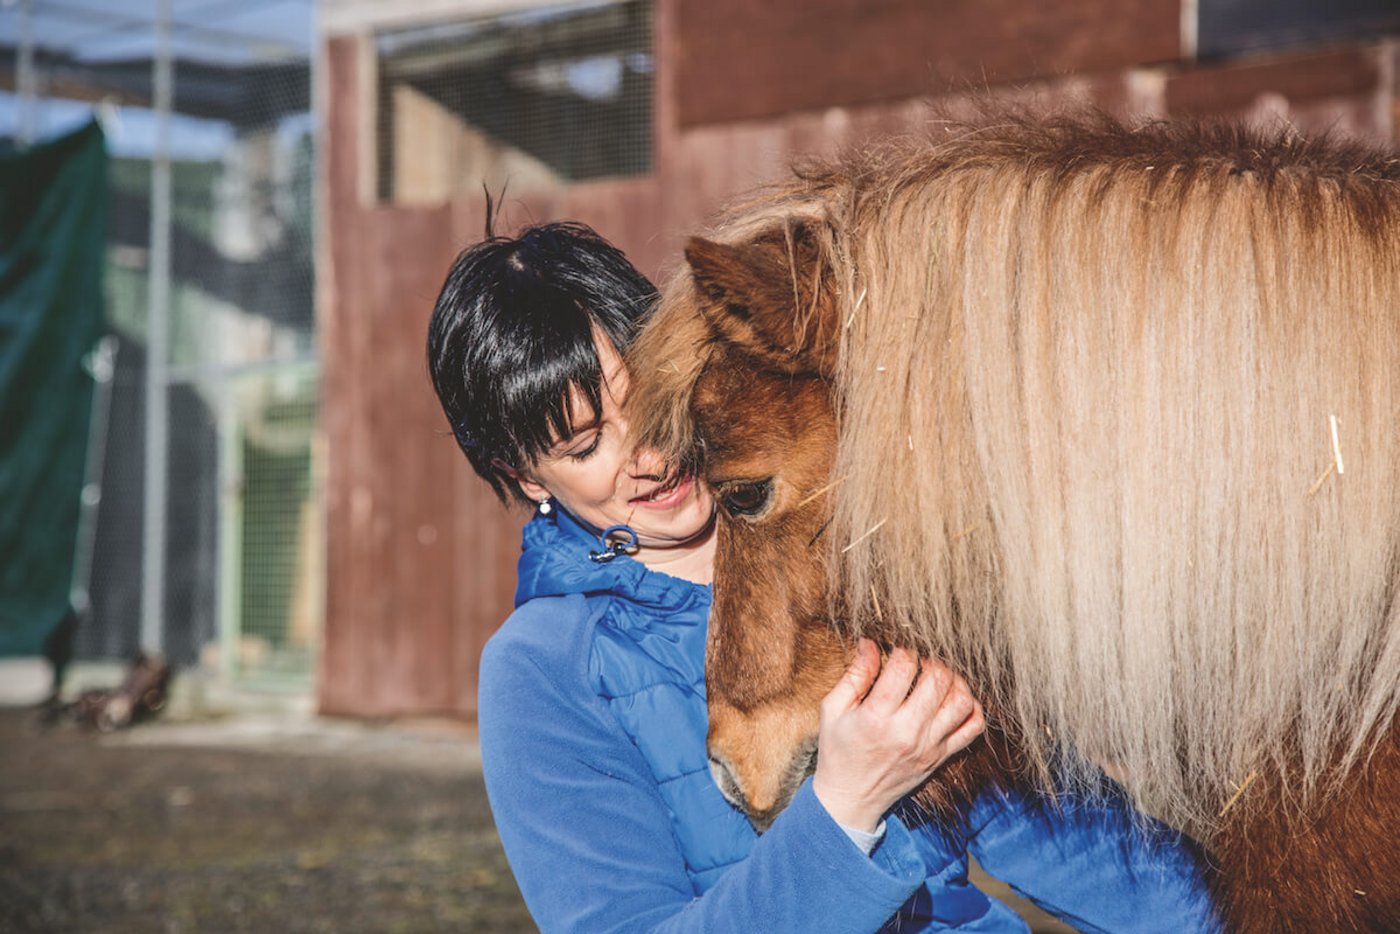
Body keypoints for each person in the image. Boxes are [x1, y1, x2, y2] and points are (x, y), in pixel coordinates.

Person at [426, 220, 1219, 932]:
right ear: (526, 477)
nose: (650, 455)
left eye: (649, 397)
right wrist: (846, 808)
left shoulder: (838, 540)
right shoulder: (544, 669)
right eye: (583, 444)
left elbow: (1045, 829)